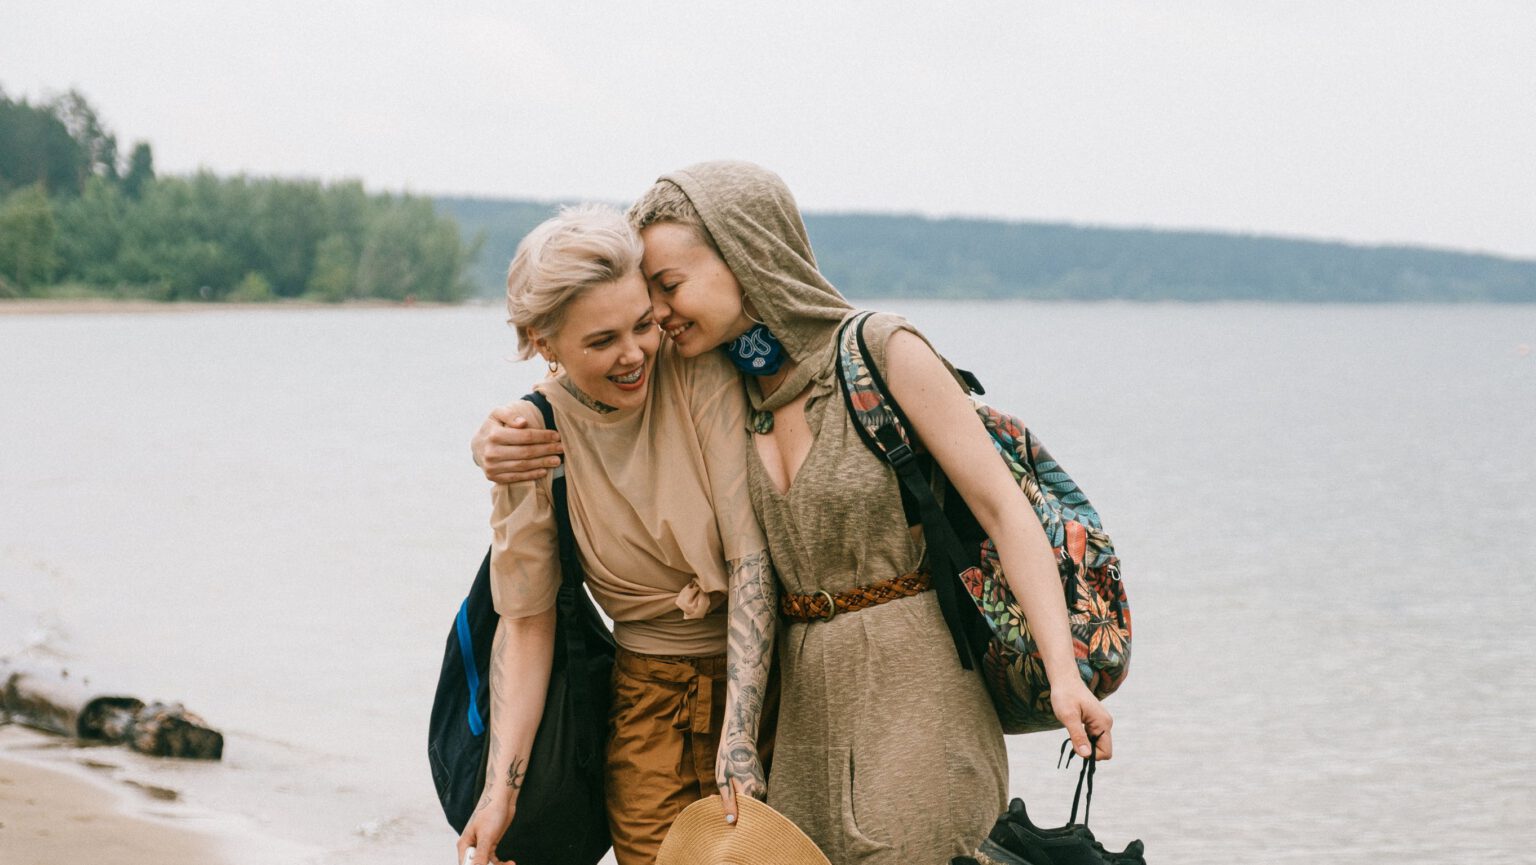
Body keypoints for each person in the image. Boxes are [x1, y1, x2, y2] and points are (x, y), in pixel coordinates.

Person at [472, 163, 1114, 865]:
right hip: (797, 706)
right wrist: (501, 436)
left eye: (667, 287)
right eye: (649, 295)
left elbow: (1002, 506)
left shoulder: (870, 351)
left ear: (744, 255)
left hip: (911, 685)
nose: (654, 319)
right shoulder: (721, 378)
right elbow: (584, 383)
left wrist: (1063, 672)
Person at [456, 204, 776, 865]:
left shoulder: (696, 368)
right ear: (544, 343)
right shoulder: (532, 437)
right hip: (644, 704)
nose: (634, 354)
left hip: (770, 686)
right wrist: (499, 793)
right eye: (602, 342)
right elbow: (527, 618)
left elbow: (751, 559)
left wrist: (739, 740)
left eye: (642, 325)